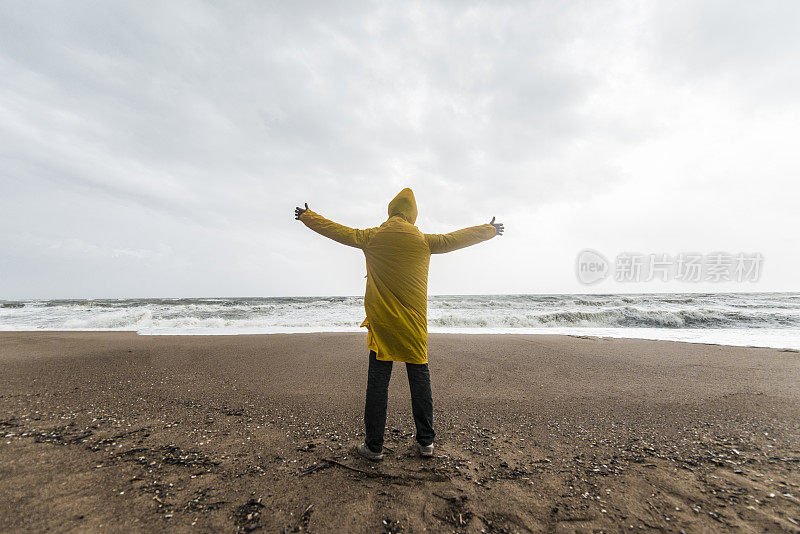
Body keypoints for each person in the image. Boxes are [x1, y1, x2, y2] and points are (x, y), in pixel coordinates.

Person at [295, 188, 503, 460]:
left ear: (391, 211)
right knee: (420, 381)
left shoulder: (371, 237)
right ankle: (426, 442)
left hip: (383, 326)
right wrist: (489, 230)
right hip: (414, 326)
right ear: (413, 215)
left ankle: (374, 446)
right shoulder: (425, 240)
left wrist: (308, 216)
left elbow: (338, 231)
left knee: (378, 384)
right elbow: (457, 238)